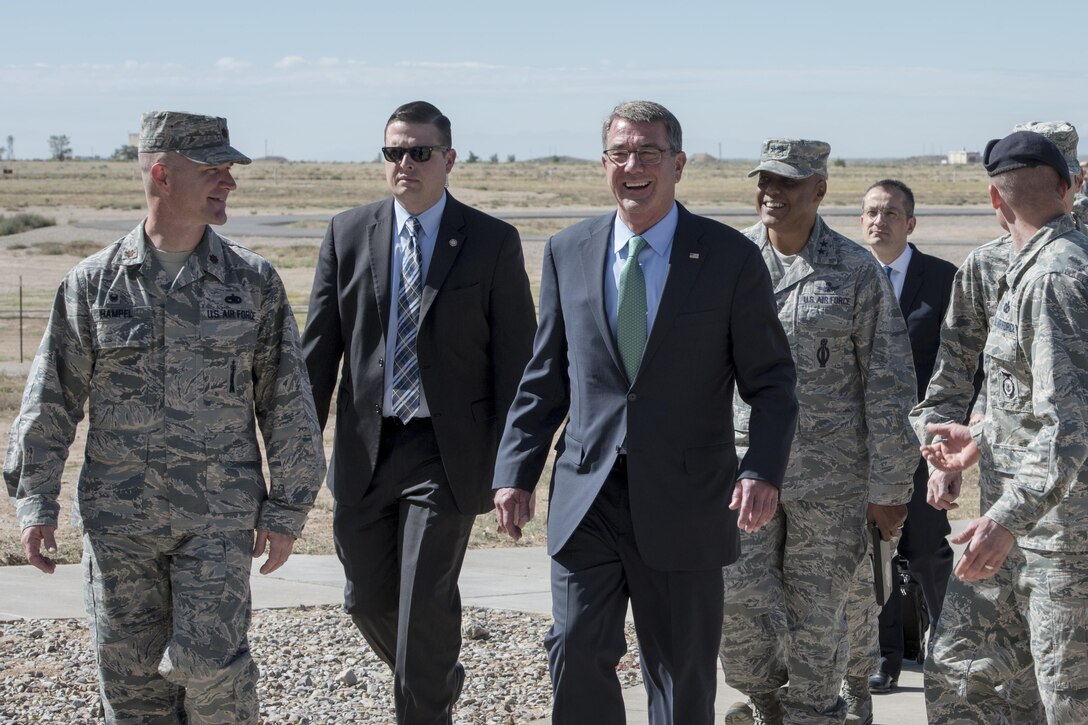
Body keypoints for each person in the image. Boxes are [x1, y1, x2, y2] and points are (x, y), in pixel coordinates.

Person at [3, 111, 326, 723]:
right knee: (130, 685)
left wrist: (287, 508)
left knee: (213, 671)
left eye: (230, 170)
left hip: (217, 518)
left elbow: (286, 404)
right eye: (213, 170)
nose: (228, 182)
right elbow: (51, 400)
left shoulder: (251, 282)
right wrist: (35, 503)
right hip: (120, 522)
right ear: (162, 174)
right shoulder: (94, 284)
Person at [492, 101, 798, 725]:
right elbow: (545, 377)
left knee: (681, 673)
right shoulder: (566, 251)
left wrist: (761, 470)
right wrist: (515, 472)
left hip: (686, 499)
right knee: (575, 648)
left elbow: (771, 381)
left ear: (677, 164)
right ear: (604, 163)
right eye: (620, 153)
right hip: (588, 493)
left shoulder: (728, 257)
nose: (633, 166)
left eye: (649, 153)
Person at [301, 100, 536, 724]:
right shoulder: (346, 234)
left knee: (425, 602)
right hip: (365, 451)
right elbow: (318, 357)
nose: (405, 163)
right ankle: (433, 673)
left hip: (448, 452)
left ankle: (424, 701)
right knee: (366, 599)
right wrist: (295, 454)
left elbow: (518, 365)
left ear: (449, 160)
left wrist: (517, 467)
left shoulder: (491, 241)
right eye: (393, 153)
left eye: (419, 152)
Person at [719, 140, 918, 725]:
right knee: (738, 605)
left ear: (819, 191)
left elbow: (889, 383)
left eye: (788, 183)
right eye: (765, 182)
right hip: (745, 470)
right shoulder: (732, 261)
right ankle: (764, 700)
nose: (772, 193)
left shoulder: (855, 270)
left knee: (819, 615)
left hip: (831, 479)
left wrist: (890, 487)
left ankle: (813, 713)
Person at [911, 121, 1085, 723]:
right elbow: (1038, 400)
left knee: (1066, 701)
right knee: (963, 674)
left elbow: (1070, 426)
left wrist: (1005, 520)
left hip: (1064, 542)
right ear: (1070, 185)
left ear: (993, 198)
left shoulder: (1058, 277)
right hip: (1013, 524)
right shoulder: (1015, 267)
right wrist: (979, 436)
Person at [841, 180, 958, 714]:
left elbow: (961, 364)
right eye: (869, 212)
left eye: (890, 213)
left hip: (924, 446)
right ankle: (885, 658)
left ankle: (951, 647)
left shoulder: (943, 280)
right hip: (862, 446)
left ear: (910, 224)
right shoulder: (848, 275)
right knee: (875, 555)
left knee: (928, 550)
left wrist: (949, 434)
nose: (877, 222)